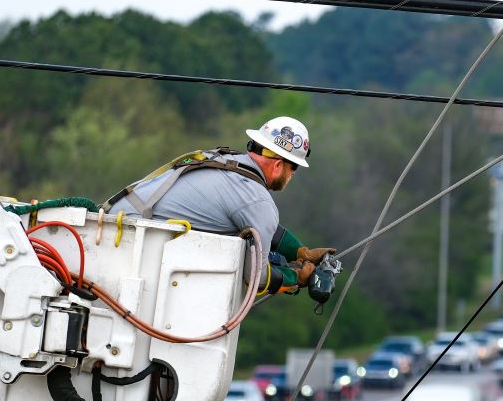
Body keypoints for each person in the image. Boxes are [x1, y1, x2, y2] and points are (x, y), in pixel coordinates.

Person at [105, 116, 334, 296]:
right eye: (293, 168)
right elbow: (257, 277)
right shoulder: (258, 200)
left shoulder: (223, 160)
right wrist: (297, 278)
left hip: (109, 226)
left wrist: (300, 252)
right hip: (123, 245)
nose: (293, 175)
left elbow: (261, 226)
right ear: (277, 166)